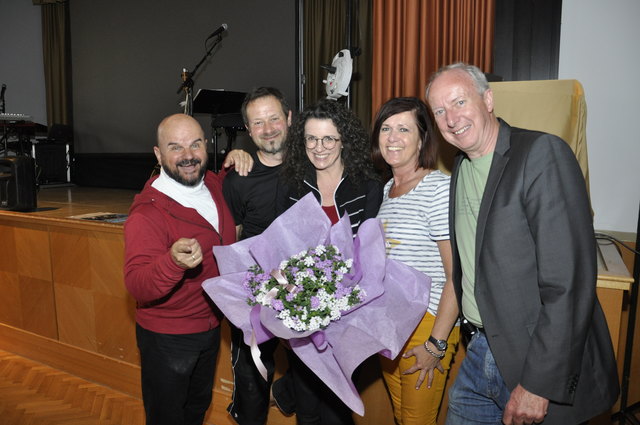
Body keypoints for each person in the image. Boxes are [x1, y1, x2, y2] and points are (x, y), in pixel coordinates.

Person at [425, 63, 619, 425]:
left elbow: (569, 283)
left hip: (534, 362)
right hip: (479, 352)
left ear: (487, 99)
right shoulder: (460, 169)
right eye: (439, 111)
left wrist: (539, 383)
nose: (451, 119)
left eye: (459, 102)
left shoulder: (542, 154)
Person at [124, 113, 243, 425]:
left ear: (206, 145)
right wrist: (172, 263)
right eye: (176, 147)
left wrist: (238, 158)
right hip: (168, 337)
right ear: (158, 154)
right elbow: (137, 284)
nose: (188, 156)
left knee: (195, 411)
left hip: (209, 327)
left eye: (195, 144)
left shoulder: (213, 185)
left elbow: (223, 178)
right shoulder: (148, 213)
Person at [276, 98, 383, 425]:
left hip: (350, 315)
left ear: (343, 140)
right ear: (302, 141)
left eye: (328, 139)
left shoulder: (368, 185)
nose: (319, 147)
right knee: (307, 407)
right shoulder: (292, 183)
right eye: (311, 138)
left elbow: (371, 253)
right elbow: (279, 245)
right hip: (304, 312)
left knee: (337, 408)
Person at [371, 97, 460, 425]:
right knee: (401, 416)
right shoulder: (386, 190)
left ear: (422, 138)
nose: (392, 137)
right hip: (390, 324)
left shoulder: (438, 188)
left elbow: (456, 276)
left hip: (427, 324)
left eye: (403, 129)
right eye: (386, 128)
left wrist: (436, 344)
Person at [222, 86, 293, 424]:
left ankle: (288, 394)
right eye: (258, 123)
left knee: (313, 383)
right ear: (249, 131)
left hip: (308, 293)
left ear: (289, 119)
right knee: (252, 385)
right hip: (255, 296)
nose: (268, 129)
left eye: (274, 118)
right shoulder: (237, 178)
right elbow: (232, 240)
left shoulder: (313, 165)